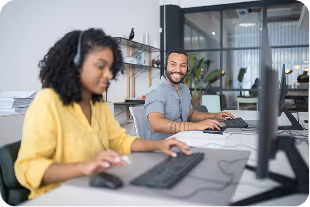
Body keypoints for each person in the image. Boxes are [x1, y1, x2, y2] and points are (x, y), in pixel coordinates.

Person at [14, 29, 191, 200]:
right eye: (100, 66)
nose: (108, 75)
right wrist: (84, 167)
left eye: (110, 67)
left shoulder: (97, 103)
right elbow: (28, 168)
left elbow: (121, 141)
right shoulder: (47, 103)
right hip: (57, 198)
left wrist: (160, 145)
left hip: (91, 192)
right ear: (76, 64)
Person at [144, 48, 234, 140]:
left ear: (187, 68)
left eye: (182, 65)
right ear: (166, 66)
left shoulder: (185, 90)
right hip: (161, 147)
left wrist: (215, 115)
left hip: (184, 140)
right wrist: (196, 126)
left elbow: (190, 115)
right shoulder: (156, 91)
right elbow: (156, 124)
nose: (178, 70)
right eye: (173, 65)